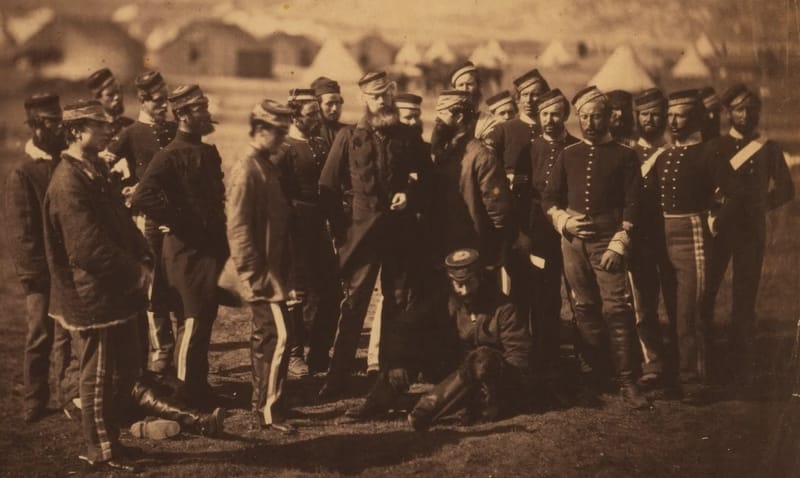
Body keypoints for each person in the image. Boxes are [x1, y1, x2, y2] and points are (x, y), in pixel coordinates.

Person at [43, 99, 151, 472]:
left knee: (116, 372)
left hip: (108, 292)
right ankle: (99, 451)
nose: (110, 130)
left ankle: (112, 443)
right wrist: (135, 272)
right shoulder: (67, 180)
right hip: (89, 296)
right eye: (99, 125)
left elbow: (119, 222)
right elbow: (87, 247)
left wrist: (143, 252)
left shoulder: (92, 169)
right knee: (97, 374)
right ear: (75, 132)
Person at [317, 71, 424, 400]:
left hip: (398, 234)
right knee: (353, 306)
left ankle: (388, 377)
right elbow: (327, 187)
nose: (382, 101)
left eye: (386, 94)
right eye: (375, 96)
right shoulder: (349, 137)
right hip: (360, 236)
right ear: (364, 98)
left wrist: (409, 192)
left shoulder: (407, 137)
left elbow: (427, 178)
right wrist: (341, 231)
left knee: (396, 302)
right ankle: (337, 379)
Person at [543, 86, 649, 409]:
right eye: (584, 116)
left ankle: (628, 381)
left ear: (608, 118)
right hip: (573, 241)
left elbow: (634, 204)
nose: (590, 122)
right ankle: (596, 378)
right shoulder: (568, 155)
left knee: (616, 308)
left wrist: (621, 241)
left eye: (597, 116)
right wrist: (565, 222)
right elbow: (549, 198)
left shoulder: (625, 155)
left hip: (608, 240)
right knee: (585, 308)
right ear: (578, 118)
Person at [132, 85, 229, 409]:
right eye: (201, 107)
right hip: (184, 253)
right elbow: (142, 196)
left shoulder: (207, 152)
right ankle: (185, 394)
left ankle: (198, 386)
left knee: (204, 320)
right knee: (192, 321)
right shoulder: (169, 155)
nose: (207, 111)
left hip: (211, 251)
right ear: (184, 115)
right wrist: (178, 220)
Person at [704, 84, 795, 386]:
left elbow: (785, 189)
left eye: (751, 109)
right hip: (717, 229)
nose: (745, 115)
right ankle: (704, 357)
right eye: (739, 109)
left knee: (745, 296)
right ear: (728, 112)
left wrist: (760, 206)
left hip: (750, 231)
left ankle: (740, 363)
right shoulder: (715, 146)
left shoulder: (768, 148)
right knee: (707, 292)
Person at [651, 89, 731, 402]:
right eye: (669, 115)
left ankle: (695, 380)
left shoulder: (709, 152)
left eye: (680, 115)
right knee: (673, 310)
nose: (672, 121)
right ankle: (676, 375)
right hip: (664, 234)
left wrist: (714, 219)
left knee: (690, 311)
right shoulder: (666, 154)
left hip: (692, 234)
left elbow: (735, 195)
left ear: (694, 117)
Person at [5, 92, 79, 423]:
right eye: (53, 123)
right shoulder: (23, 173)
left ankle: (67, 395)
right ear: (37, 127)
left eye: (61, 121)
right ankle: (34, 401)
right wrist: (34, 276)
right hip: (40, 272)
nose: (61, 128)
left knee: (66, 332)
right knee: (39, 333)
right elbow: (22, 233)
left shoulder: (64, 163)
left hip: (66, 268)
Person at [227, 99, 299, 434]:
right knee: (281, 336)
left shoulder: (266, 164)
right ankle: (271, 410)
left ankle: (263, 405)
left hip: (273, 270)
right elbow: (238, 228)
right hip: (261, 274)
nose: (283, 139)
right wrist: (252, 275)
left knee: (266, 337)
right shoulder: (246, 168)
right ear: (259, 130)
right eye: (277, 133)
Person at [408, 249, 530, 431]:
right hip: (459, 378)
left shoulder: (504, 308)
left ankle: (428, 408)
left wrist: (495, 382)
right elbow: (412, 328)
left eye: (469, 282)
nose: (464, 290)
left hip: (498, 381)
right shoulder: (444, 304)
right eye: (459, 284)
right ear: (450, 281)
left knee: (482, 357)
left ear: (480, 277)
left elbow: (519, 357)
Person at [108, 70, 178, 375]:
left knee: (180, 279)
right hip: (148, 220)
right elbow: (101, 170)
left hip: (177, 219)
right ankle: (161, 347)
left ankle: (181, 352)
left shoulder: (175, 129)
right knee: (154, 285)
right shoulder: (130, 134)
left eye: (167, 100)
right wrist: (125, 189)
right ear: (144, 100)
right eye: (159, 101)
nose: (164, 106)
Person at [525, 88, 580, 407]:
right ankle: (545, 363)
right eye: (545, 113)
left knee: (578, 296)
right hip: (540, 233)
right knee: (544, 298)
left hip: (571, 231)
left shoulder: (575, 147)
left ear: (565, 116)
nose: (550, 119)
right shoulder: (531, 148)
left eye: (556, 113)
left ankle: (585, 363)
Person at [281, 88, 340, 377]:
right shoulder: (283, 148)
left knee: (330, 290)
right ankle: (294, 355)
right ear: (294, 116)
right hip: (293, 228)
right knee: (296, 293)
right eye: (310, 114)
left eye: (318, 112)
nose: (316, 118)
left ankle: (319, 351)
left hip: (319, 225)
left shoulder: (320, 144)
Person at [627, 88, 670, 391]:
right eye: (644, 114)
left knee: (679, 303)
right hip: (640, 240)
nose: (650, 119)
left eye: (655, 113)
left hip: (671, 238)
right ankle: (652, 362)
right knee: (643, 304)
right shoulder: (628, 154)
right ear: (637, 118)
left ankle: (682, 361)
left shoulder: (674, 152)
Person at [449, 61, 495, 140]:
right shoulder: (447, 119)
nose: (464, 89)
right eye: (460, 85)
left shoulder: (489, 121)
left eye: (469, 84)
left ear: (478, 86)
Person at [86, 68, 134, 143]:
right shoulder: (90, 131)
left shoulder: (130, 125)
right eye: (110, 95)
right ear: (97, 99)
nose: (117, 97)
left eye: (118, 91)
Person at [311, 76, 349, 146]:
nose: (334, 108)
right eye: (329, 104)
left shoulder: (349, 132)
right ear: (317, 106)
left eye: (337, 103)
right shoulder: (309, 134)